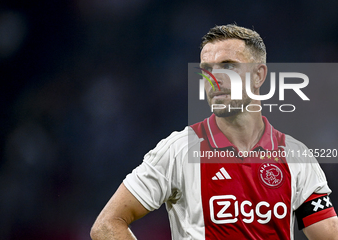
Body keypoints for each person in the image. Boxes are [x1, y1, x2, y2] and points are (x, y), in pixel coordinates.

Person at [90, 24, 338, 239]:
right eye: (206, 69)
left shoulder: (296, 156)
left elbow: (328, 233)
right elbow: (107, 225)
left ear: (259, 75)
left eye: (228, 66)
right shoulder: (179, 149)